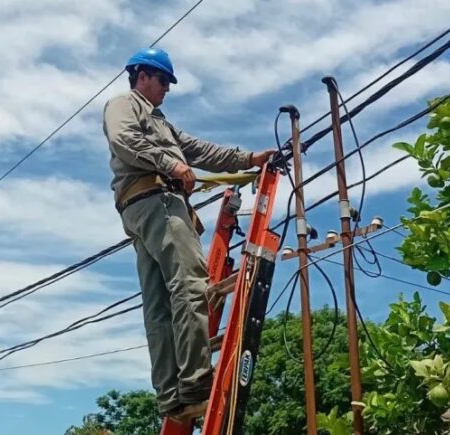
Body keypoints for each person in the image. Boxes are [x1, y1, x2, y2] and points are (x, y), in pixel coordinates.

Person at [102, 47, 275, 423]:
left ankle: (173, 399)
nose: (167, 88)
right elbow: (123, 140)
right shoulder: (123, 104)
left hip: (144, 207)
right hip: (158, 202)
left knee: (160, 305)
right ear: (142, 75)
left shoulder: (162, 123)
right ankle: (195, 384)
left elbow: (199, 150)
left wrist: (248, 160)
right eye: (163, 80)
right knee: (191, 286)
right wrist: (171, 164)